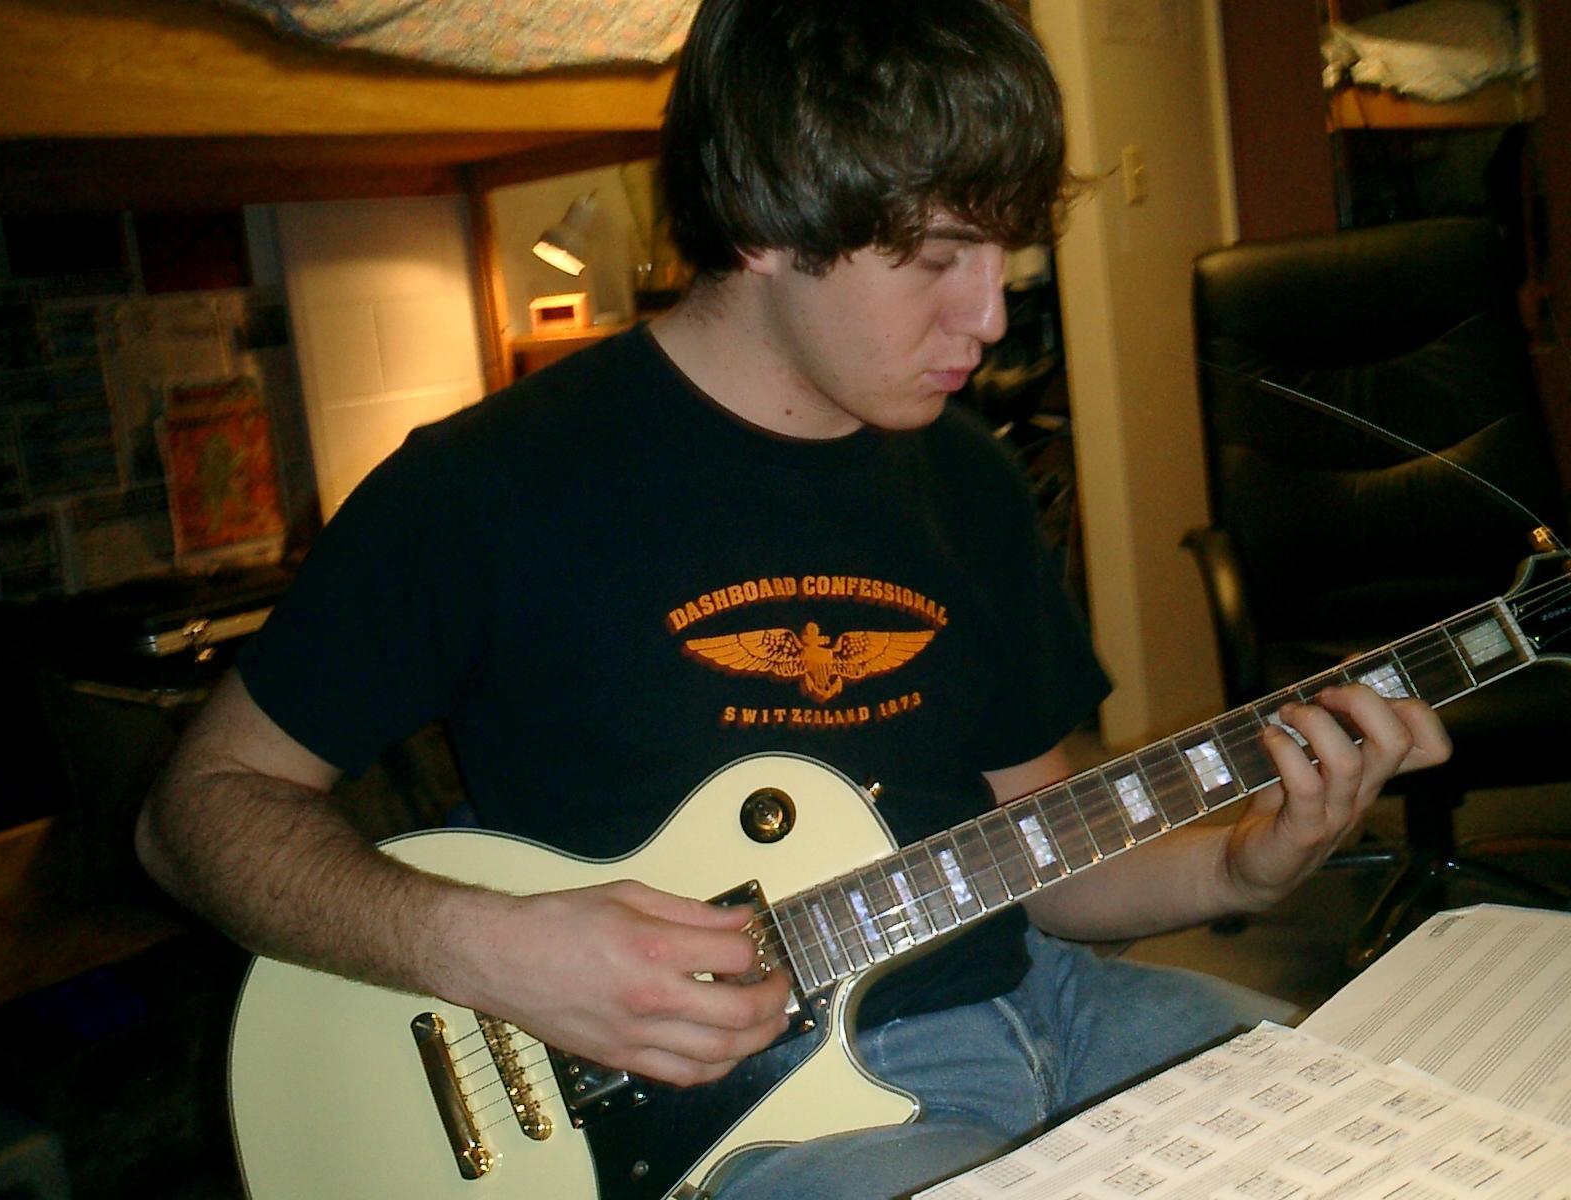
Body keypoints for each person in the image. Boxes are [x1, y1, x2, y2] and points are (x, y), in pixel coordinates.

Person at [135, 1, 1452, 1197]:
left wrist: (1247, 857)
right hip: (744, 1122)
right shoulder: (485, 489)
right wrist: (487, 949)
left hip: (1051, 1005)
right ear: (769, 219)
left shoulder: (973, 483)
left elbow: (1042, 854)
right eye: (941, 258)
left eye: (1008, 255)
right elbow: (193, 816)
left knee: (1403, 1131)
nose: (992, 316)